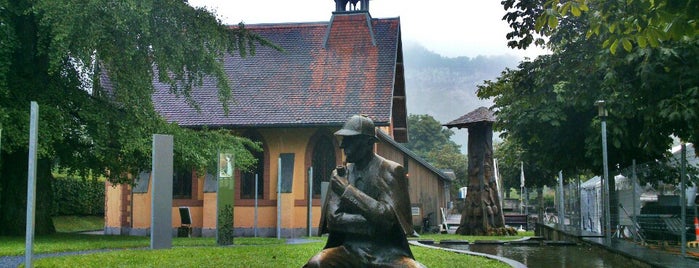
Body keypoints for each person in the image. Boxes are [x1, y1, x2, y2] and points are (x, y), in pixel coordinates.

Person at [304, 115, 424, 267]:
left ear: (368, 143)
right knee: (317, 263)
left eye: (350, 140)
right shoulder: (340, 174)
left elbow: (388, 220)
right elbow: (334, 221)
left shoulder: (391, 171)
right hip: (350, 250)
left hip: (388, 252)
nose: (342, 146)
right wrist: (373, 224)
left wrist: (347, 191)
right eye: (343, 139)